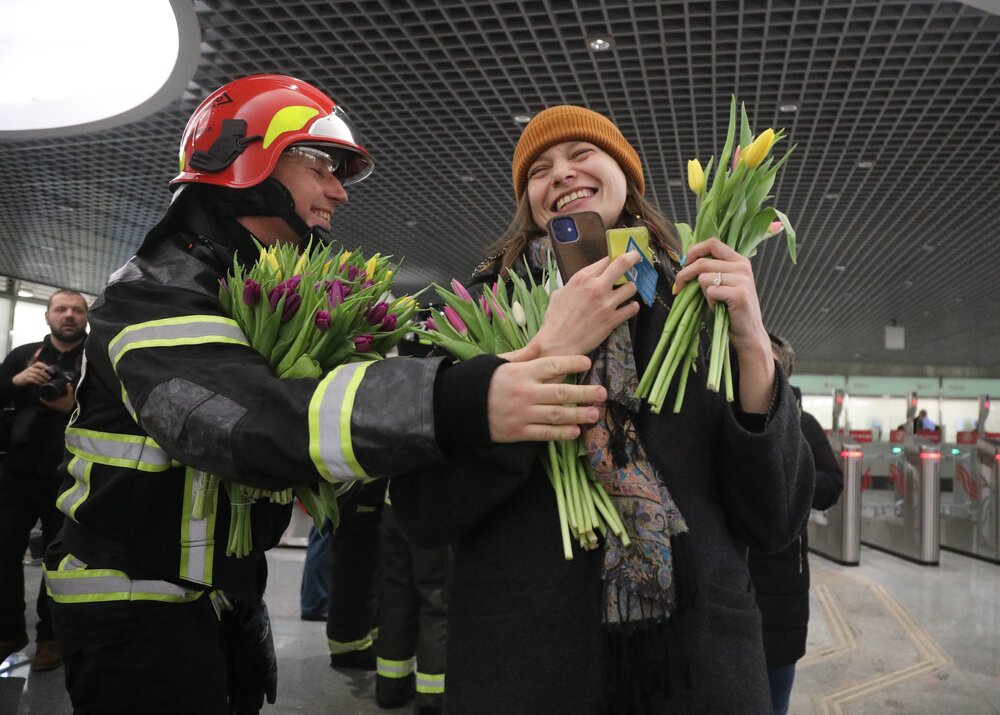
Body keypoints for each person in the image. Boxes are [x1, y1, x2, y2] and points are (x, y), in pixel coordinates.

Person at [42, 75, 608, 715]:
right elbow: (243, 424)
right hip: (134, 609)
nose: (338, 190)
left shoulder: (234, 281)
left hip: (209, 600)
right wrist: (461, 401)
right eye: (322, 165)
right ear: (245, 160)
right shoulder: (156, 292)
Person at [391, 104, 816, 713]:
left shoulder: (699, 304)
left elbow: (776, 517)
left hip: (698, 663)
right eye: (540, 168)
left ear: (627, 177)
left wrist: (752, 342)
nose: (561, 172)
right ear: (528, 201)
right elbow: (424, 511)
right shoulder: (474, 316)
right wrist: (544, 359)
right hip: (524, 660)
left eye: (581, 154)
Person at [747, 334, 844, 715]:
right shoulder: (726, 416)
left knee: (774, 698)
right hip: (733, 575)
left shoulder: (805, 425)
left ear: (783, 373)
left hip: (783, 580)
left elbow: (832, 485)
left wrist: (791, 480)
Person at [0, 289, 88, 673]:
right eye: (61, 309)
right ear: (48, 316)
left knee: (58, 559)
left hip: (69, 475)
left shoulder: (97, 358)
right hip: (16, 473)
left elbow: (117, 409)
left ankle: (51, 638)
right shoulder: (23, 356)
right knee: (4, 552)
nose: (68, 315)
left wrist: (73, 407)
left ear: (86, 317)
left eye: (77, 310)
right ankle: (9, 631)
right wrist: (17, 380)